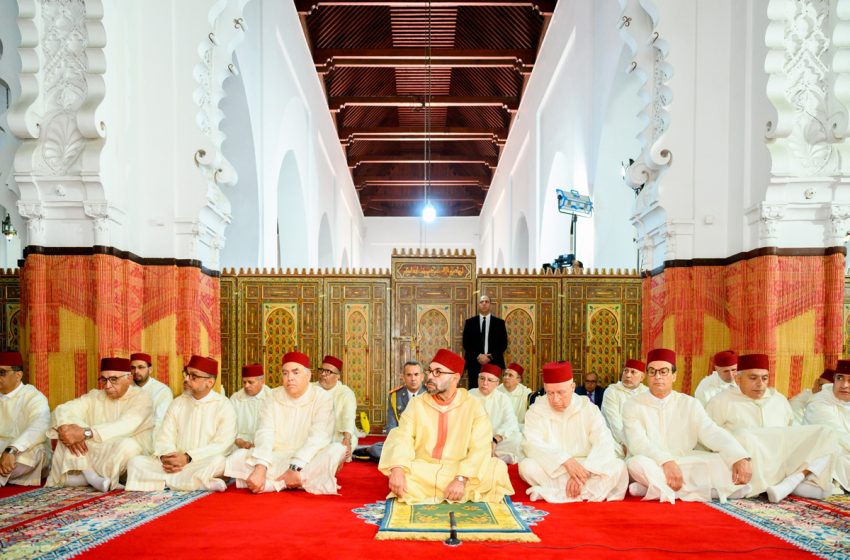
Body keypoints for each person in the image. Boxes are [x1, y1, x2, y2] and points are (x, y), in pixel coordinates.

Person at [378, 348, 514, 504]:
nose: (429, 377)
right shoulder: (417, 404)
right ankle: (453, 492)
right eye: (430, 371)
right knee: (401, 472)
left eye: (438, 372)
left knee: (497, 469)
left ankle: (442, 490)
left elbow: (481, 446)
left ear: (455, 378)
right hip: (424, 468)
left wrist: (461, 478)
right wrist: (397, 468)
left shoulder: (472, 405)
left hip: (460, 469)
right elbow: (402, 436)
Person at [623, 348, 752, 503]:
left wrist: (738, 455)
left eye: (664, 371)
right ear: (647, 376)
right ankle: (702, 491)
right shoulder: (633, 404)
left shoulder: (689, 403)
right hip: (653, 461)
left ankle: (655, 488)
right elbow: (638, 443)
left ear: (674, 376)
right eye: (652, 371)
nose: (658, 377)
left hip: (685, 460)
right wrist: (665, 461)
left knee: (721, 460)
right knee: (636, 464)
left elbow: (711, 432)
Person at [706, 353, 836, 502]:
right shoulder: (720, 402)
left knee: (827, 433)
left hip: (782, 463)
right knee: (743, 435)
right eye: (753, 378)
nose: (760, 383)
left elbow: (789, 433)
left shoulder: (778, 400)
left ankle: (792, 481)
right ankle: (790, 485)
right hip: (748, 467)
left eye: (764, 378)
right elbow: (710, 440)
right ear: (738, 379)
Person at [224, 351, 346, 494]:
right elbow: (265, 432)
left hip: (307, 458)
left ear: (308, 376)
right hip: (276, 457)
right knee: (237, 457)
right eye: (285, 373)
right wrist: (261, 467)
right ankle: (298, 481)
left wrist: (295, 467)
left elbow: (319, 437)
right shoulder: (272, 396)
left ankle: (273, 484)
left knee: (336, 450)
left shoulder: (323, 398)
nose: (290, 378)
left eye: (295, 373)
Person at [519, 360, 627, 503]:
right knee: (526, 467)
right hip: (556, 468)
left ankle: (558, 493)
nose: (555, 399)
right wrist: (565, 460)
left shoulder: (588, 408)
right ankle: (587, 493)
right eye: (550, 393)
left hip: (587, 466)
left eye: (560, 392)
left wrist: (584, 473)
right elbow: (532, 444)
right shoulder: (536, 410)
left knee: (619, 467)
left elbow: (603, 441)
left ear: (572, 387)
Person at [125, 355, 235, 492]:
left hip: (199, 462)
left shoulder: (224, 406)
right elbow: (165, 435)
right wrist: (168, 457)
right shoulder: (178, 403)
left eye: (193, 376)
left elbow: (222, 445)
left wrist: (188, 457)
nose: (186, 379)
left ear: (210, 382)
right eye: (186, 374)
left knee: (219, 462)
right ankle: (196, 482)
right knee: (135, 462)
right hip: (175, 464)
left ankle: (166, 482)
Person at [47, 357, 154, 491]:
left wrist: (84, 433)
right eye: (104, 380)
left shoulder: (142, 398)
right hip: (97, 448)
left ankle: (85, 476)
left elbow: (126, 425)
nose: (107, 386)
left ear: (129, 379)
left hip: (125, 453)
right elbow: (62, 410)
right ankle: (91, 477)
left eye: (114, 379)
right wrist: (66, 428)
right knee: (67, 432)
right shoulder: (95, 396)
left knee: (128, 446)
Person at [352, 360, 426, 461]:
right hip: (402, 441)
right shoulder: (395, 396)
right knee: (376, 449)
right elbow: (391, 426)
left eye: (416, 374)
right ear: (403, 377)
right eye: (409, 375)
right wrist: (399, 442)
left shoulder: (430, 395)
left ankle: (394, 458)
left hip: (424, 442)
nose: (413, 379)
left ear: (422, 376)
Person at [0, 351, 50, 486]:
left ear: (18, 375)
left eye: (2, 372)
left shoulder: (34, 397)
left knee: (31, 453)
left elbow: (40, 426)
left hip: (23, 449)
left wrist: (12, 449)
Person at [804, 359, 850, 493]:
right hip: (824, 452)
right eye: (840, 378)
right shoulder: (819, 402)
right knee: (837, 456)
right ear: (834, 379)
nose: (844, 385)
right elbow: (837, 435)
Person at [469, 363, 523, 464]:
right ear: (477, 379)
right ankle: (496, 458)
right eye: (482, 378)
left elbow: (510, 422)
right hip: (474, 440)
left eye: (489, 380)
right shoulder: (469, 395)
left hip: (496, 441)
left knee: (517, 439)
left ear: (497, 383)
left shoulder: (503, 398)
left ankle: (487, 456)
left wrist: (495, 440)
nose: (485, 383)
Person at [312, 355, 357, 462]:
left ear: (338, 376)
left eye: (328, 372)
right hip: (312, 435)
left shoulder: (346, 393)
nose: (323, 374)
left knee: (341, 448)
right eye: (322, 370)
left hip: (336, 436)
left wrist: (347, 439)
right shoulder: (310, 388)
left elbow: (348, 417)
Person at [600, 359, 649, 458]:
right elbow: (614, 422)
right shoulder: (612, 391)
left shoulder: (647, 393)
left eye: (633, 372)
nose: (628, 375)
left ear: (642, 377)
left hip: (641, 440)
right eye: (626, 371)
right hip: (616, 440)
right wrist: (624, 443)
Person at [462, 294, 508, 389]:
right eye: (481, 302)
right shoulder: (470, 323)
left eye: (486, 302)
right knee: (474, 390)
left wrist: (490, 357)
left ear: (490, 305)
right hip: (474, 363)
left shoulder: (499, 323)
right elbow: (466, 343)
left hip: (494, 362)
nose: (484, 304)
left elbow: (503, 344)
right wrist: (479, 356)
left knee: (492, 390)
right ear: (478, 305)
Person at [230, 363, 271, 450]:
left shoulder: (271, 397)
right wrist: (239, 441)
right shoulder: (235, 399)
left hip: (266, 447)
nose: (246, 386)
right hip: (239, 446)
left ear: (262, 381)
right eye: (244, 382)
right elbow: (229, 426)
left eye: (250, 382)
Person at [130, 352, 173, 430]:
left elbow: (159, 421)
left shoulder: (162, 391)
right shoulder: (126, 388)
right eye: (133, 368)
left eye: (141, 367)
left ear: (150, 370)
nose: (136, 371)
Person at [497, 362, 532, 428]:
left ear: (518, 380)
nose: (506, 377)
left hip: (519, 428)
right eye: (505, 374)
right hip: (500, 428)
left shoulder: (526, 393)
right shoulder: (496, 392)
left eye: (510, 375)